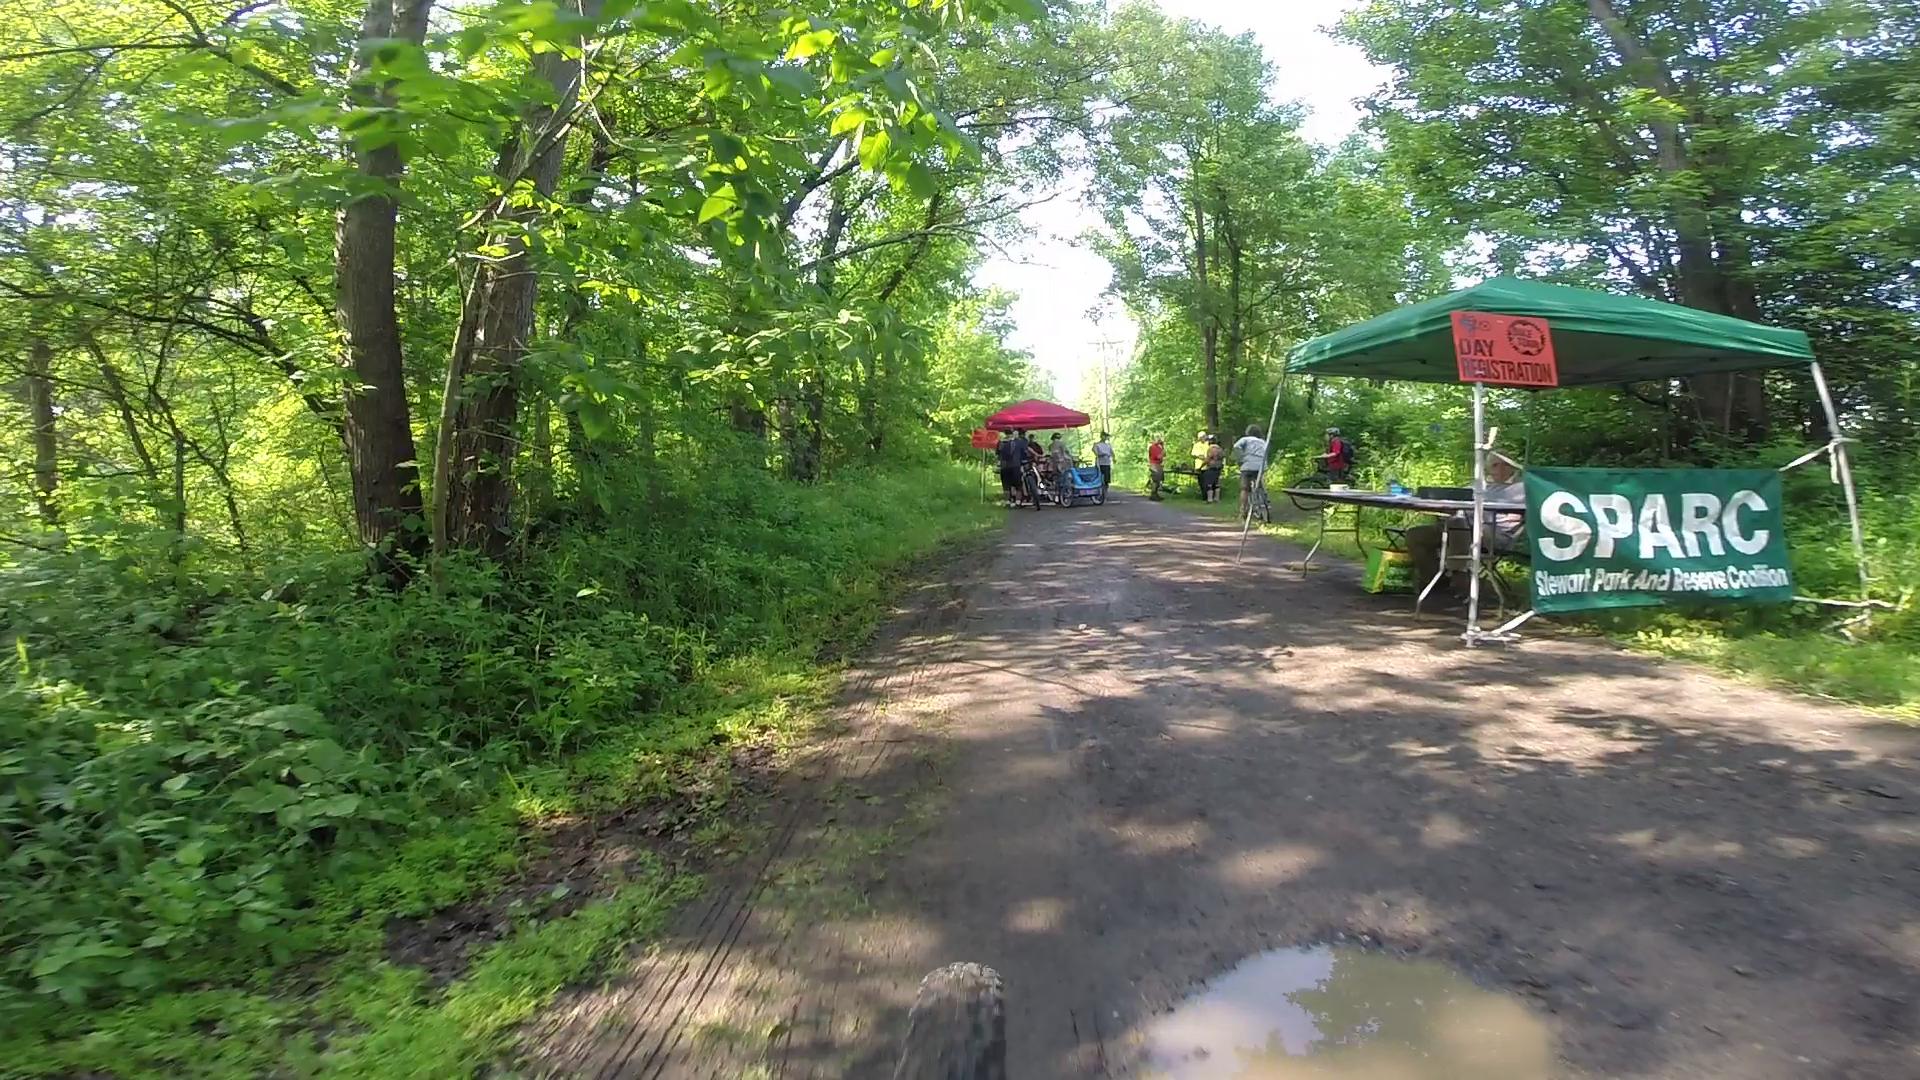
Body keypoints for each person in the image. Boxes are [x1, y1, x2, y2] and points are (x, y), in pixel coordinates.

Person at [1407, 456, 1526, 596]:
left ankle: (1459, 574)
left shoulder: (1521, 488)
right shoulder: (1479, 486)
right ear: (1488, 469)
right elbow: (1456, 500)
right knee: (1415, 535)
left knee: (1458, 523)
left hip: (1495, 533)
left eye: (1505, 465)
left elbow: (1523, 512)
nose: (1500, 468)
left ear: (1512, 467)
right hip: (1461, 527)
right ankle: (1437, 580)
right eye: (1495, 465)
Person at [1232, 424, 1268, 517]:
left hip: (1248, 465)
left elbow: (1236, 447)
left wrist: (1240, 457)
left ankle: (1243, 510)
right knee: (1259, 483)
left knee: (1245, 488)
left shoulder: (1245, 439)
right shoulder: (1262, 441)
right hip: (1261, 466)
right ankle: (1264, 499)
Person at [995, 431, 1020, 506]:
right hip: (1015, 465)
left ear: (1005, 434)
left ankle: (1007, 501)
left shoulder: (1000, 443)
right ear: (1012, 434)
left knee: (1006, 484)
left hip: (1004, 466)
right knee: (1017, 484)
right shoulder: (1016, 442)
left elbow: (997, 453)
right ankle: (1017, 501)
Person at [1201, 435, 1225, 503]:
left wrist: (1201, 466)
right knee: (1216, 484)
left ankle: (1210, 499)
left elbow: (1208, 459)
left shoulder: (1211, 449)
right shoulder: (1220, 449)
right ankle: (1217, 498)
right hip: (1218, 468)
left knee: (1209, 484)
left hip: (1211, 468)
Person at [1146, 436, 1166, 500]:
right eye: (1158, 439)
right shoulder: (1152, 447)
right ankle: (1153, 494)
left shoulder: (1159, 447)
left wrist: (1162, 447)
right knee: (1155, 480)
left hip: (1159, 464)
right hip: (1154, 465)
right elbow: (1158, 457)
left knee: (1159, 480)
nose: (1159, 440)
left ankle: (1156, 494)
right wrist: (1162, 454)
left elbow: (1164, 455)